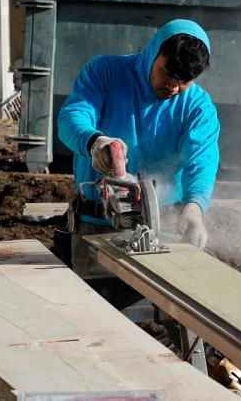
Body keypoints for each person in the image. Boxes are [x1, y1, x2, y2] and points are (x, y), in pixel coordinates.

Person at [58, 19, 220, 278]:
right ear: (153, 52)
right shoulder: (106, 72)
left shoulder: (198, 107)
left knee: (159, 312)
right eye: (167, 73)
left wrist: (194, 207)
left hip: (165, 227)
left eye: (185, 81)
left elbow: (201, 160)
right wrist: (93, 141)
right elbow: (72, 116)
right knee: (92, 308)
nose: (174, 87)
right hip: (97, 226)